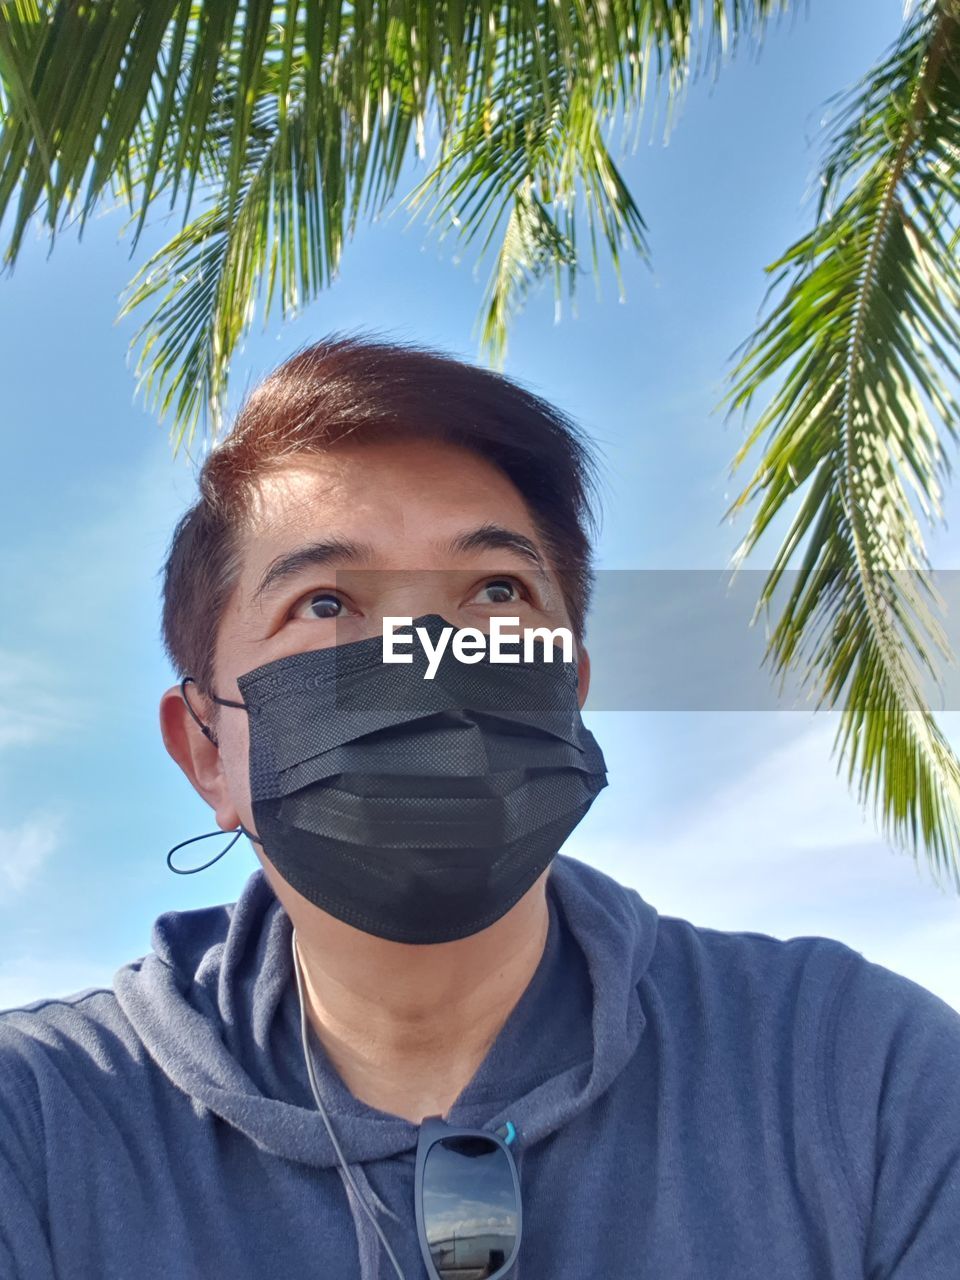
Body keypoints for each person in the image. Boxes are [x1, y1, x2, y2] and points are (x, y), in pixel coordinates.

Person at [1, 335, 958, 1280]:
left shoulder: (862, 1073)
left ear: (569, 693)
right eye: (326, 604)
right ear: (206, 749)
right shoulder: (39, 1124)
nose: (426, 655)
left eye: (496, 591)